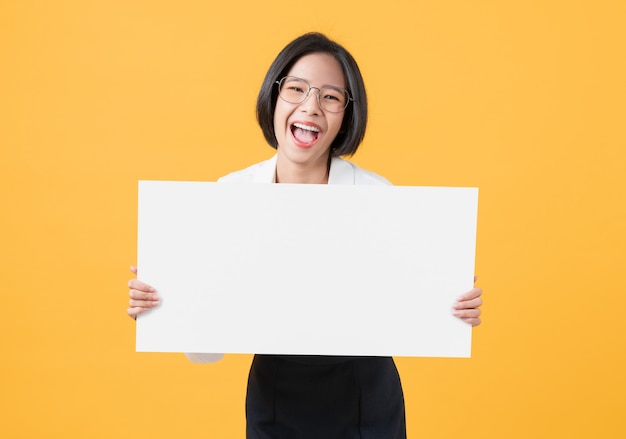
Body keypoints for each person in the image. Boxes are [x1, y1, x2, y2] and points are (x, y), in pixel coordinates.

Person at [127, 32, 483, 439]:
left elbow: (413, 310)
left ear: (347, 114)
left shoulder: (378, 197)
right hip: (275, 399)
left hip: (367, 399)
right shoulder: (230, 196)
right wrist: (169, 302)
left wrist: (452, 307)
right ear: (273, 98)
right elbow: (205, 353)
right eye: (296, 89)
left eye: (331, 97)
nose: (311, 106)